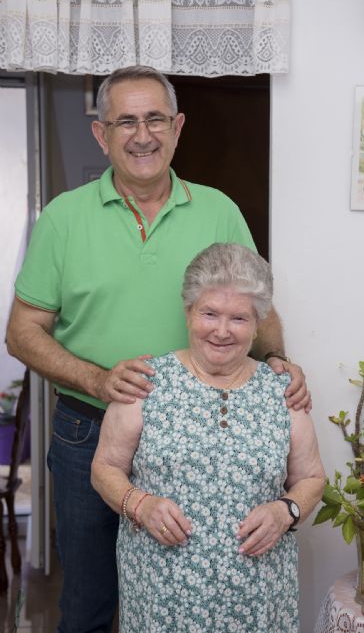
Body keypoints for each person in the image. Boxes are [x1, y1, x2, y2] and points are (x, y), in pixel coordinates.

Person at [6, 66, 311, 633]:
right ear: (101, 133)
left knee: (192, 596)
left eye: (155, 119)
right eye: (126, 121)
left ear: (178, 127)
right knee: (89, 602)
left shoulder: (219, 209)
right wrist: (98, 381)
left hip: (195, 434)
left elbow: (253, 304)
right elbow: (21, 333)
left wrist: (277, 364)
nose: (142, 135)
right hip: (88, 428)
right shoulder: (63, 219)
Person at [92, 243, 325, 633]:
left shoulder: (282, 391)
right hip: (162, 595)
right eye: (209, 313)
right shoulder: (145, 382)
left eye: (238, 318)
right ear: (188, 313)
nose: (221, 330)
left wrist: (285, 512)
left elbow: (312, 478)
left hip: (258, 597)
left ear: (257, 324)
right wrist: (140, 504)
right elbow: (104, 468)